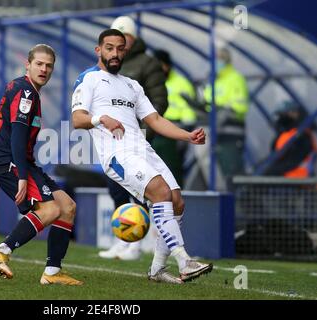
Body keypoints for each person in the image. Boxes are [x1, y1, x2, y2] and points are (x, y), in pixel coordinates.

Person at [72, 29, 213, 283]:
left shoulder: (132, 85)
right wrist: (100, 118)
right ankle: (184, 260)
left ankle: (157, 270)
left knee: (177, 201)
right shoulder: (89, 80)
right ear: (98, 50)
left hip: (143, 151)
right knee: (161, 193)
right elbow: (77, 119)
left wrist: (187, 135)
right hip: (117, 155)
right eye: (109, 48)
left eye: (120, 49)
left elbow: (155, 120)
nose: (115, 53)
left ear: (125, 51)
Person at [0, 44, 82, 286]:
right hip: (14, 163)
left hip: (15, 162)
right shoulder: (26, 91)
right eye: (39, 64)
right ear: (28, 64)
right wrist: (21, 177)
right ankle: (2, 251)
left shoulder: (25, 89)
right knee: (50, 210)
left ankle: (52, 273)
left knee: (67, 206)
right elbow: (16, 134)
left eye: (49, 66)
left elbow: (3, 130)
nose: (44, 69)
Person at [97, 16, 168, 261]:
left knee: (142, 190)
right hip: (112, 141)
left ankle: (140, 244)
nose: (118, 44)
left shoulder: (148, 64)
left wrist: (139, 132)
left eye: (124, 37)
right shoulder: (110, 66)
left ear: (133, 38)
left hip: (137, 140)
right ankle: (123, 240)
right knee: (116, 189)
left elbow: (159, 102)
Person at [186, 47, 249, 191]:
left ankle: (220, 190)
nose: (216, 62)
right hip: (211, 124)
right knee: (201, 154)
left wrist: (222, 109)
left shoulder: (235, 78)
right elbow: (208, 101)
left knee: (224, 164)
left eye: (219, 59)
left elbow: (240, 105)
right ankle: (215, 188)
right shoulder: (213, 79)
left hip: (228, 127)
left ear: (226, 60)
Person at [153, 49, 197, 187]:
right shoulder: (150, 81)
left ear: (167, 65)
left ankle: (176, 201)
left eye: (161, 65)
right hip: (154, 130)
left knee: (172, 170)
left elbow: (190, 111)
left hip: (173, 132)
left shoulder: (181, 83)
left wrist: (184, 132)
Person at [263, 102, 316, 177]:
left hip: (298, 179)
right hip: (289, 179)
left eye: (282, 115)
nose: (280, 119)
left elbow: (293, 161)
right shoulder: (287, 134)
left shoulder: (302, 136)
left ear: (294, 113)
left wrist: (269, 171)